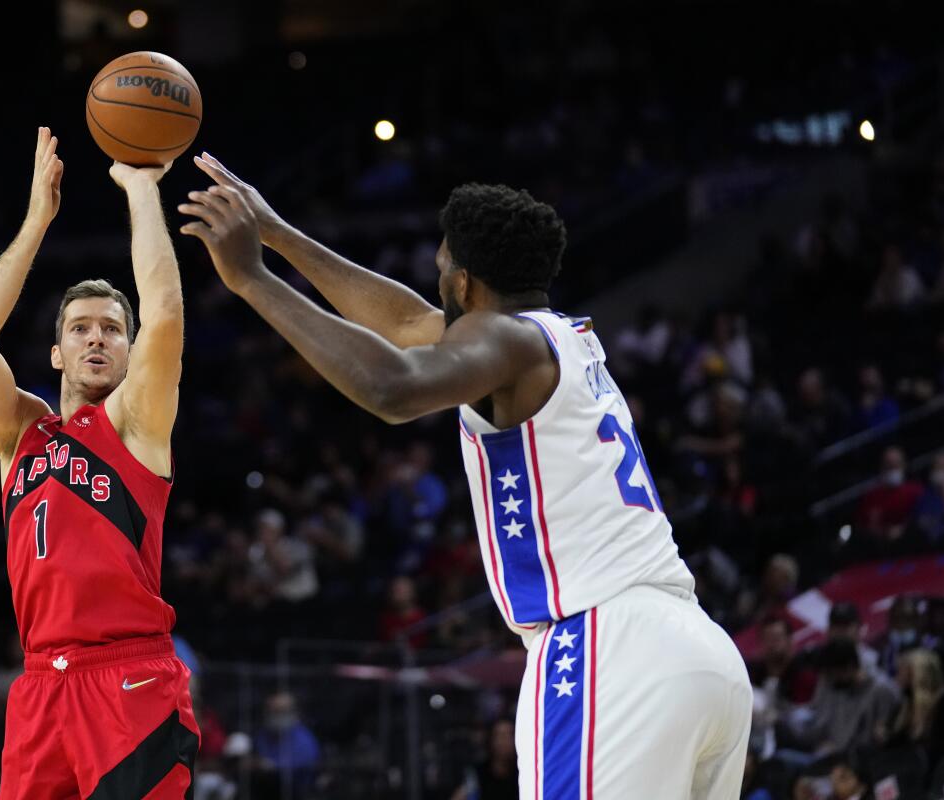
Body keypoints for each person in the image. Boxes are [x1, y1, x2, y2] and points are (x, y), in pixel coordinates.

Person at [178, 154, 752, 798]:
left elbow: (392, 385)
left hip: (606, 648)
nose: (439, 276)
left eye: (443, 267)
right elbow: (402, 324)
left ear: (468, 286)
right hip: (703, 654)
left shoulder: (503, 342)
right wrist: (279, 233)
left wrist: (252, 278)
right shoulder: (560, 338)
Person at [0, 128, 197, 798]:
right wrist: (36, 222)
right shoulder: (20, 434)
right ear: (56, 352)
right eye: (80, 328)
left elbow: (167, 313)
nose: (97, 337)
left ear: (128, 350)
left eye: (112, 329)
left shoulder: (136, 424)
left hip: (128, 676)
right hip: (38, 687)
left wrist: (142, 189)